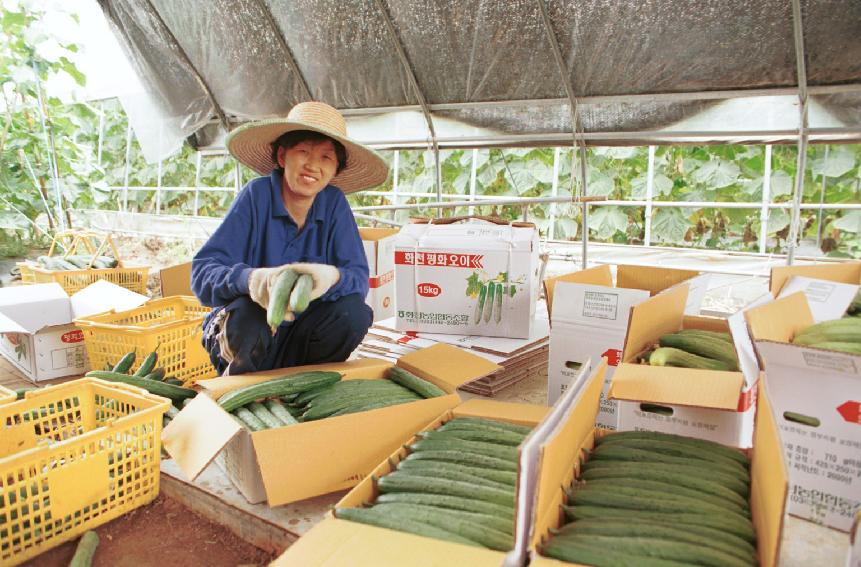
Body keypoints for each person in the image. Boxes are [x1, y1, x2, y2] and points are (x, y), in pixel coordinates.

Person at [191, 101, 388, 375]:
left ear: (335, 171)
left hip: (301, 340)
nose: (313, 166)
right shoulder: (256, 196)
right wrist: (250, 280)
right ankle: (239, 386)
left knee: (353, 313)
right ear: (283, 157)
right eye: (303, 151)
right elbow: (202, 274)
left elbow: (358, 279)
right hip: (246, 338)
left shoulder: (334, 205)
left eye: (326, 158)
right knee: (248, 315)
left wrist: (330, 277)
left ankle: (301, 385)